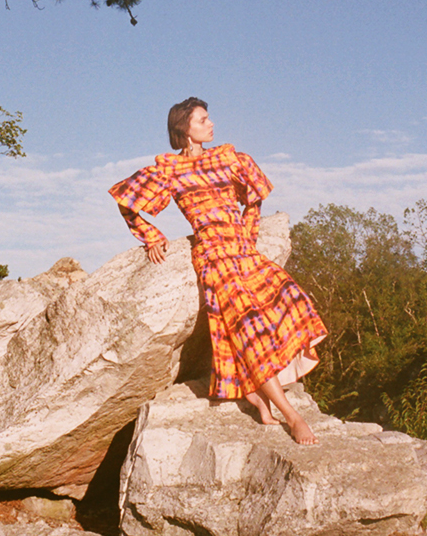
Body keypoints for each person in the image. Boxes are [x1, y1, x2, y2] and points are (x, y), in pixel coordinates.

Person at [109, 97, 327, 445]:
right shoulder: (169, 169)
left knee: (292, 300)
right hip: (213, 256)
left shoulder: (227, 158)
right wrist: (151, 236)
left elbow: (255, 196)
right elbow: (126, 199)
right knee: (249, 331)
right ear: (185, 129)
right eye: (203, 120)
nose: (211, 124)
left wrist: (248, 234)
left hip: (243, 251)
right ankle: (292, 416)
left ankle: (255, 394)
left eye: (209, 118)